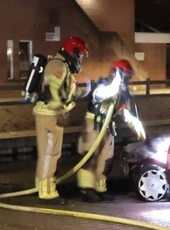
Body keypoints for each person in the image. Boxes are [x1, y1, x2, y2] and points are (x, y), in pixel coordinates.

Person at [77, 59, 145, 202]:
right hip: (94, 124)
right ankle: (87, 190)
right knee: (90, 157)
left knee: (106, 159)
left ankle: (100, 188)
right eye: (127, 75)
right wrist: (116, 84)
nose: (129, 79)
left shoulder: (122, 92)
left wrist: (135, 124)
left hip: (107, 127)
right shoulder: (105, 84)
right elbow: (100, 95)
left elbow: (124, 112)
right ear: (118, 73)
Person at [33, 36, 88, 203]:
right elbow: (51, 90)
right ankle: (47, 192)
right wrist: (60, 111)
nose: (80, 59)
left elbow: (61, 91)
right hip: (50, 116)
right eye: (81, 55)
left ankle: (40, 185)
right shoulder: (58, 65)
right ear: (74, 53)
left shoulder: (61, 65)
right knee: (50, 154)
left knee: (49, 153)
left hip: (50, 114)